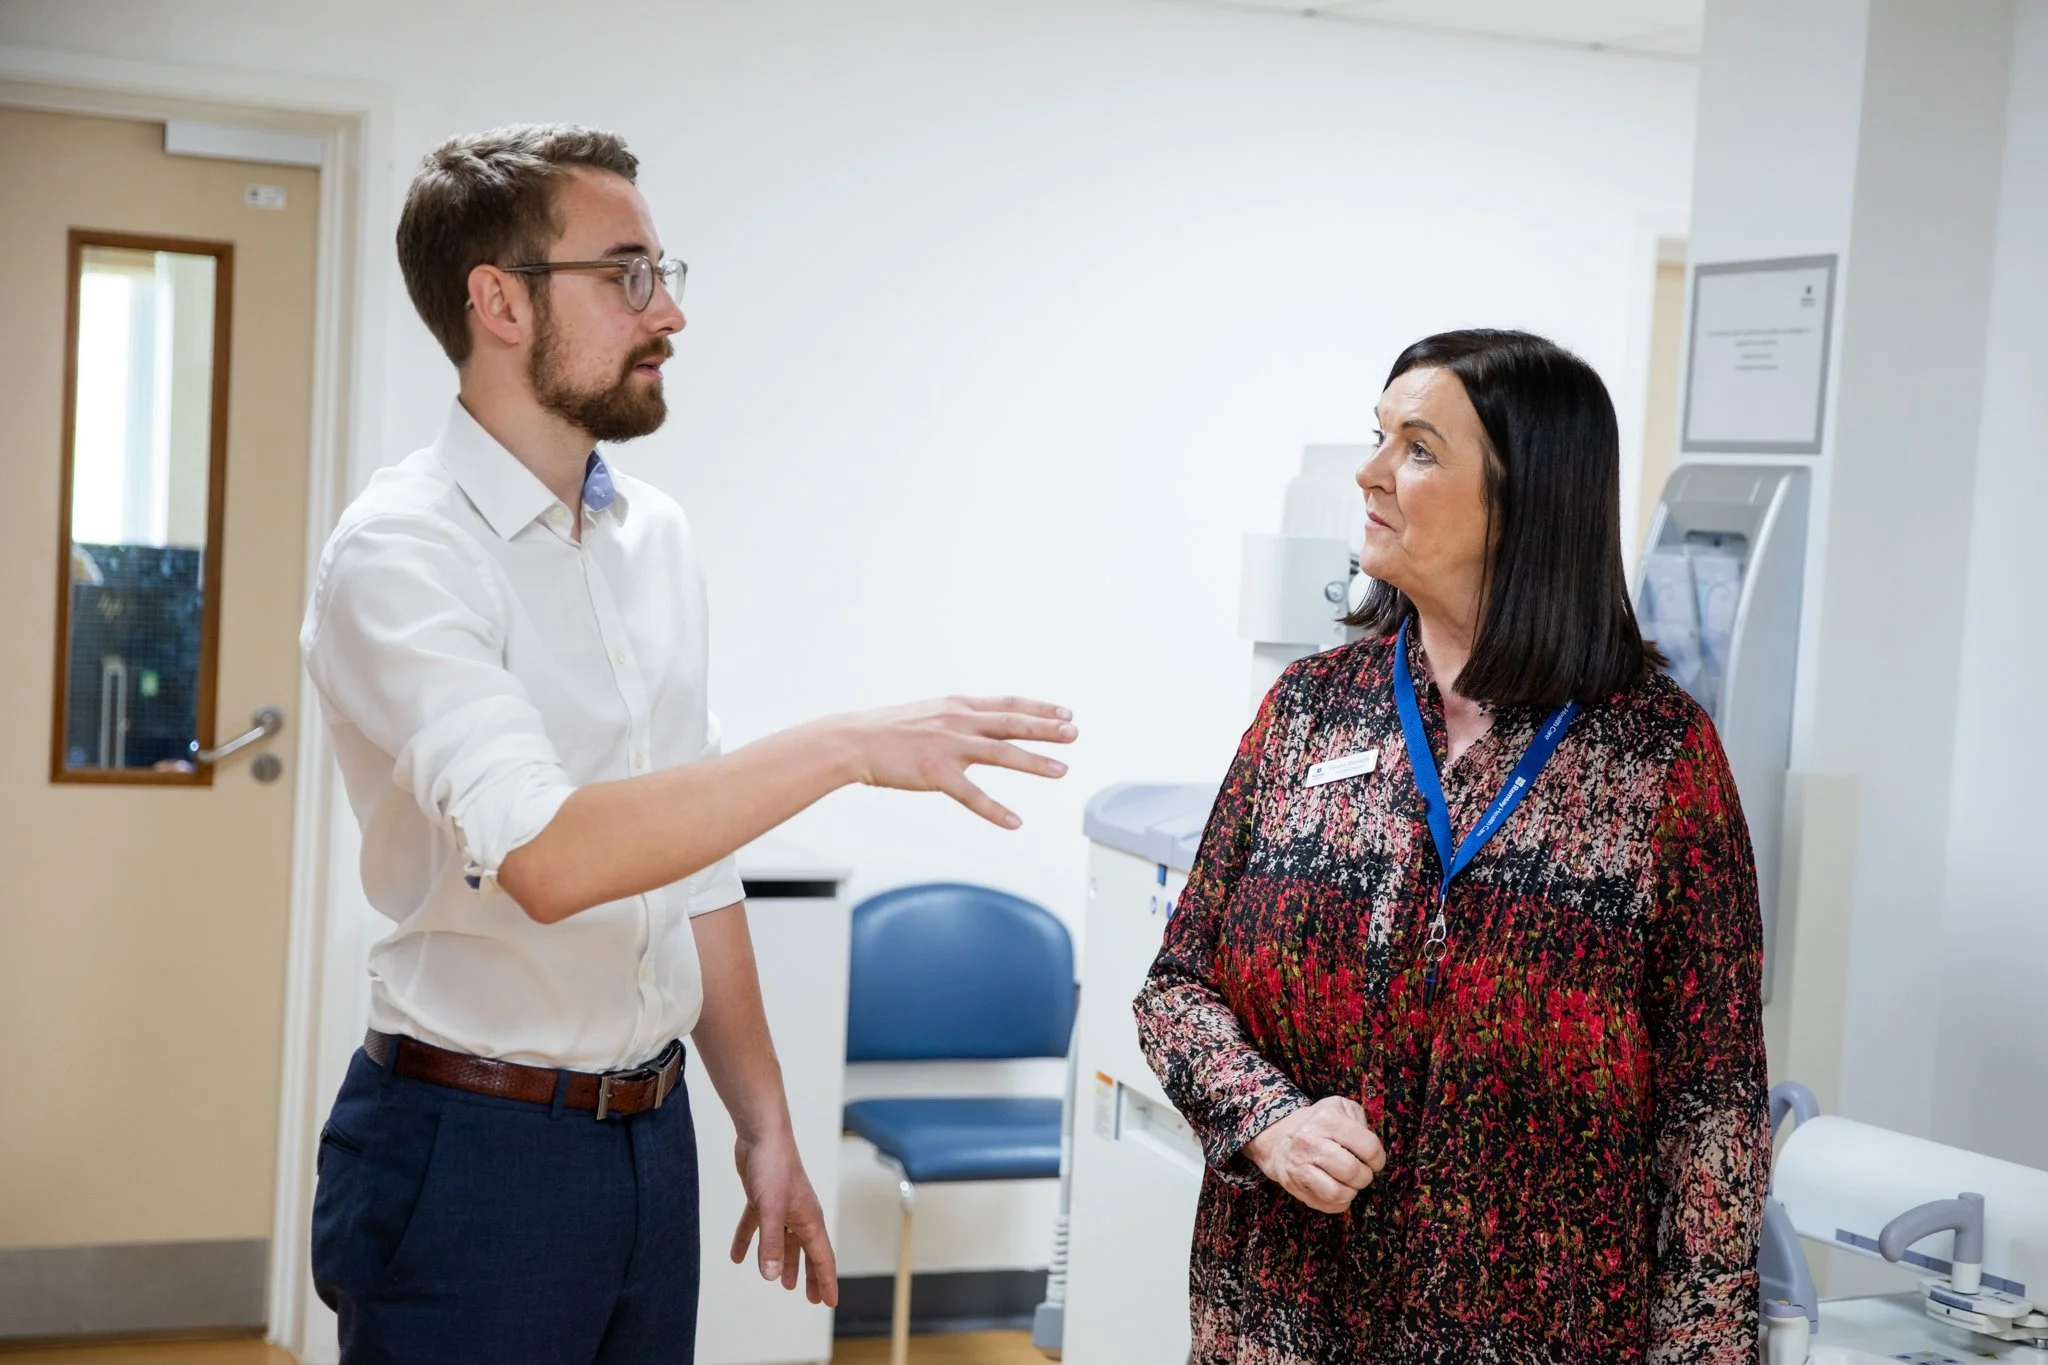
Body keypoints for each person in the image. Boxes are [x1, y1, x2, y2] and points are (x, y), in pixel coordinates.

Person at [301, 124, 1076, 1363]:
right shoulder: (402, 552)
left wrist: (761, 1124)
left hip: (648, 1139)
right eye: (626, 275)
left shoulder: (650, 537)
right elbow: (549, 859)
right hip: (469, 1152)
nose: (666, 312)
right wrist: (844, 745)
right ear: (499, 302)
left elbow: (691, 864)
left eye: (662, 272)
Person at [1134, 329, 1768, 1362]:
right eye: (1378, 436)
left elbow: (1714, 1107)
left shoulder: (1656, 756)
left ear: (1527, 499)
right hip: (1282, 1315)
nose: (1371, 471)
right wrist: (1268, 1121)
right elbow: (1176, 987)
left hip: (1530, 1330)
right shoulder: (1308, 711)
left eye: (1418, 448)